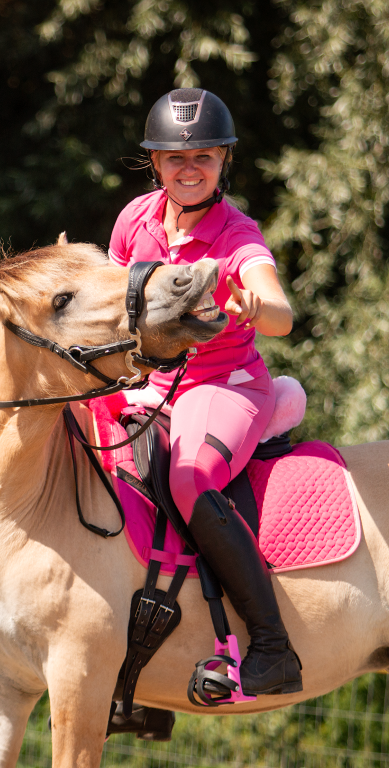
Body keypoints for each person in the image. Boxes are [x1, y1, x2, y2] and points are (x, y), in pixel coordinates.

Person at [108, 88, 302, 697]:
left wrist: (253, 303)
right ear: (156, 163)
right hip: (148, 382)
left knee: (190, 478)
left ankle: (271, 646)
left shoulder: (237, 233)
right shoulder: (135, 219)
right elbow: (113, 298)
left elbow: (280, 312)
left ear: (223, 163)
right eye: (174, 159)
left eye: (205, 158)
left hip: (222, 385)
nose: (189, 169)